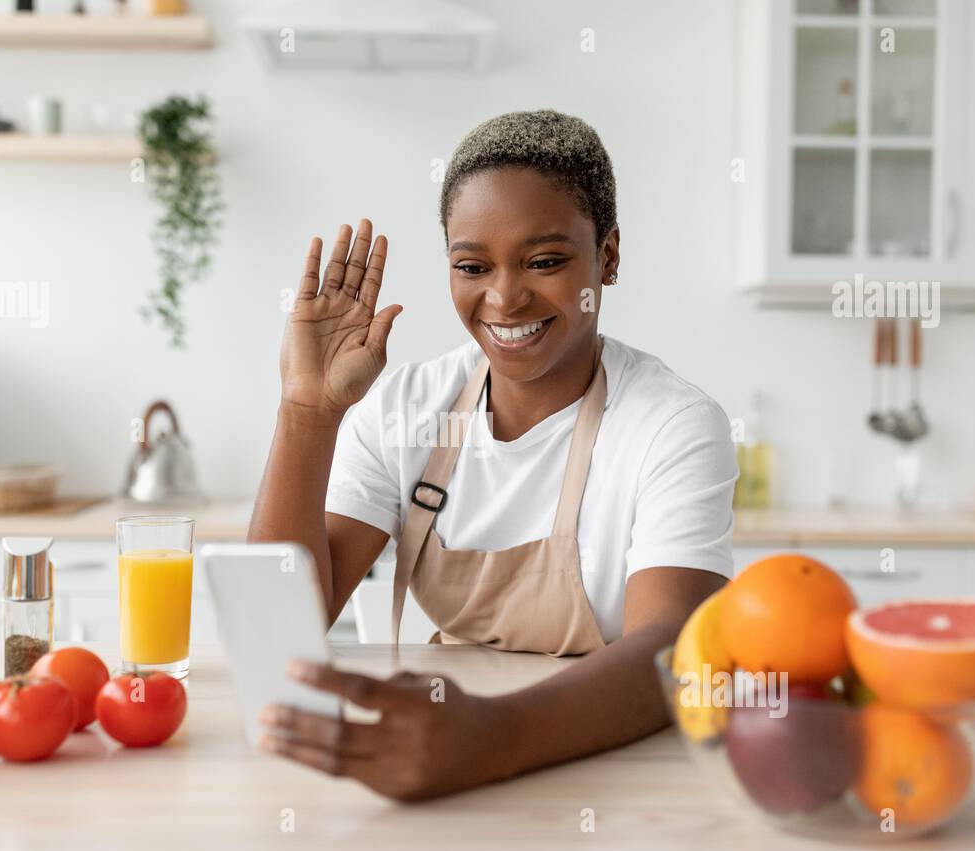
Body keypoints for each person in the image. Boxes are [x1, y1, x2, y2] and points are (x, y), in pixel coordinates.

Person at [248, 109, 737, 800]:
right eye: (473, 266)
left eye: (545, 261)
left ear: (609, 257)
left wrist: (489, 739)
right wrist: (307, 412)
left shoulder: (672, 425)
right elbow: (280, 629)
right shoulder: (406, 409)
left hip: (615, 777)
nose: (505, 298)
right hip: (442, 753)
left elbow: (675, 653)